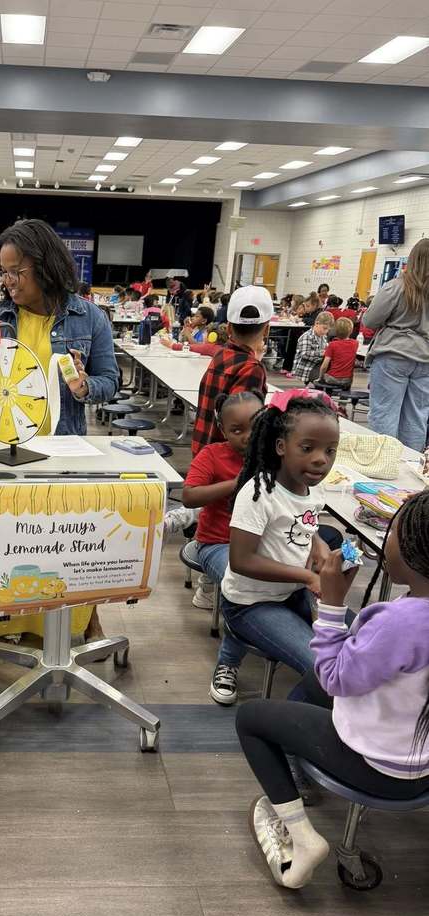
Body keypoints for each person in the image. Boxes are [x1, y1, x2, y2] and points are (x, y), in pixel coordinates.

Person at [237, 490, 429, 890]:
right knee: (307, 684)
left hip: (382, 768)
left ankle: (302, 838)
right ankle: (298, 745)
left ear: (412, 551)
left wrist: (333, 606)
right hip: (419, 757)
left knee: (251, 717)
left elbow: (334, 677)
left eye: (392, 532)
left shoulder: (401, 623)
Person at [0, 218, 119, 646]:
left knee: (60, 539)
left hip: (59, 445)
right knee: (9, 544)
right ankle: (10, 619)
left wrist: (84, 387)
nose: (7, 282)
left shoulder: (89, 317)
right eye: (2, 272)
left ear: (44, 267)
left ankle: (77, 618)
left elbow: (109, 380)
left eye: (15, 272)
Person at [220, 390, 341, 679]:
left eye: (330, 450)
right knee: (321, 668)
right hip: (250, 603)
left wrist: (318, 542)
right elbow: (241, 560)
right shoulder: (259, 493)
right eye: (307, 448)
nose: (320, 460)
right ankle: (290, 721)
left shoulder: (312, 488)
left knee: (352, 641)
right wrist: (308, 577)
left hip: (290, 593)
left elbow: (300, 523)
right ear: (281, 446)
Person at [179, 392, 265, 704]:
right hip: (216, 543)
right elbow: (189, 497)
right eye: (236, 430)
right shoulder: (213, 455)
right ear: (222, 429)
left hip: (262, 543)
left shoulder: (276, 456)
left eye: (254, 427)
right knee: (242, 583)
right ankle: (228, 662)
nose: (246, 437)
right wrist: (240, 480)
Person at [363, 238, 429, 451]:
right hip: (426, 358)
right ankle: (411, 468)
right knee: (417, 417)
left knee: (385, 413)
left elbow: (370, 321)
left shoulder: (397, 287)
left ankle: (383, 464)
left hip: (394, 354)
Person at [192, 285, 271, 456]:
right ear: (267, 329)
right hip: (227, 461)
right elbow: (243, 427)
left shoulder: (220, 355)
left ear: (228, 328)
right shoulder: (252, 369)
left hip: (203, 450)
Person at [291, 311, 332, 385]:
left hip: (317, 365)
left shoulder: (323, 337)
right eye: (324, 328)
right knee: (324, 378)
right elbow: (304, 354)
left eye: (328, 330)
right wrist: (323, 353)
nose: (326, 331)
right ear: (317, 323)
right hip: (307, 368)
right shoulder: (307, 336)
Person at [320, 317, 358, 389]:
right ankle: (344, 395)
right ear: (351, 331)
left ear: (335, 331)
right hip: (348, 380)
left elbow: (324, 365)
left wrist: (321, 377)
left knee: (323, 376)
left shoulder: (332, 345)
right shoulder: (355, 343)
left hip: (332, 378)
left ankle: (328, 395)